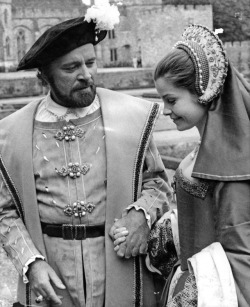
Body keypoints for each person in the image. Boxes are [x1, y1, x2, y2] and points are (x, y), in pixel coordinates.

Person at [0, 3, 171, 307]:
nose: (86, 75)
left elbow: (157, 183)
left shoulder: (132, 117)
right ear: (44, 77)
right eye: (71, 68)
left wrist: (142, 214)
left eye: (90, 63)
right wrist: (31, 263)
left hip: (121, 268)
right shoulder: (10, 134)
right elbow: (5, 211)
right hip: (51, 274)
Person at [114, 24, 250, 306]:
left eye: (172, 100)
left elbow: (242, 254)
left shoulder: (231, 166)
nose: (165, 110)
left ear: (205, 91)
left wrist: (191, 294)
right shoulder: (204, 152)